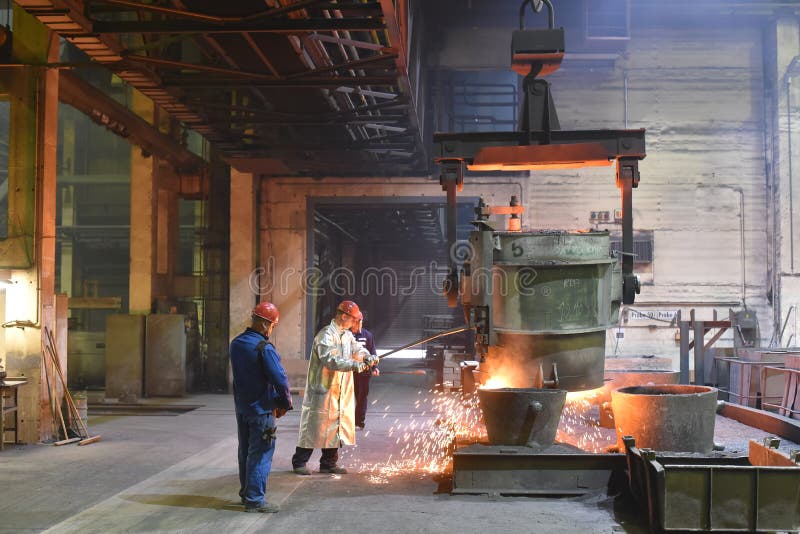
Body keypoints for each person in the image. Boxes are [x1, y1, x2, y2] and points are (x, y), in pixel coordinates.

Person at [292, 300, 379, 475]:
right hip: (323, 390)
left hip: (339, 389)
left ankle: (328, 463)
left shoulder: (346, 335)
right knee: (313, 426)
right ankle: (299, 462)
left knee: (335, 427)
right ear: (344, 316)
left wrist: (367, 357)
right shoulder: (325, 335)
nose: (355, 323)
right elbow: (331, 360)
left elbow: (357, 349)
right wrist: (355, 365)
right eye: (353, 319)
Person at [229, 302, 293, 513]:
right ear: (266, 325)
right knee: (261, 453)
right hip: (262, 410)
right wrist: (284, 403)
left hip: (242, 409)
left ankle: (246, 493)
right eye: (273, 325)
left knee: (245, 452)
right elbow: (280, 379)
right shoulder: (264, 349)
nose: (272, 329)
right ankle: (255, 500)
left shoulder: (236, 344)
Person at [351, 311, 379, 430]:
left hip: (364, 372)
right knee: (349, 397)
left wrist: (375, 367)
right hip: (350, 371)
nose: (359, 324)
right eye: (357, 321)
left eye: (360, 321)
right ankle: (347, 421)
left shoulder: (367, 335)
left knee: (362, 397)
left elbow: (372, 352)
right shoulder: (346, 335)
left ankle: (359, 422)